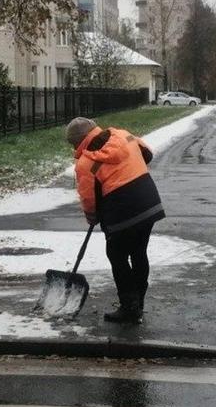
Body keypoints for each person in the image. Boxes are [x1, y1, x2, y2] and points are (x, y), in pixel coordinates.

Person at [65, 116, 165, 323]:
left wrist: (92, 217)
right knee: (138, 252)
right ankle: (138, 301)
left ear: (78, 141)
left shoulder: (86, 162)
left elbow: (89, 198)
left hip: (122, 208)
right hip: (148, 200)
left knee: (116, 254)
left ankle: (129, 306)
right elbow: (146, 153)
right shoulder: (123, 135)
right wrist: (130, 166)